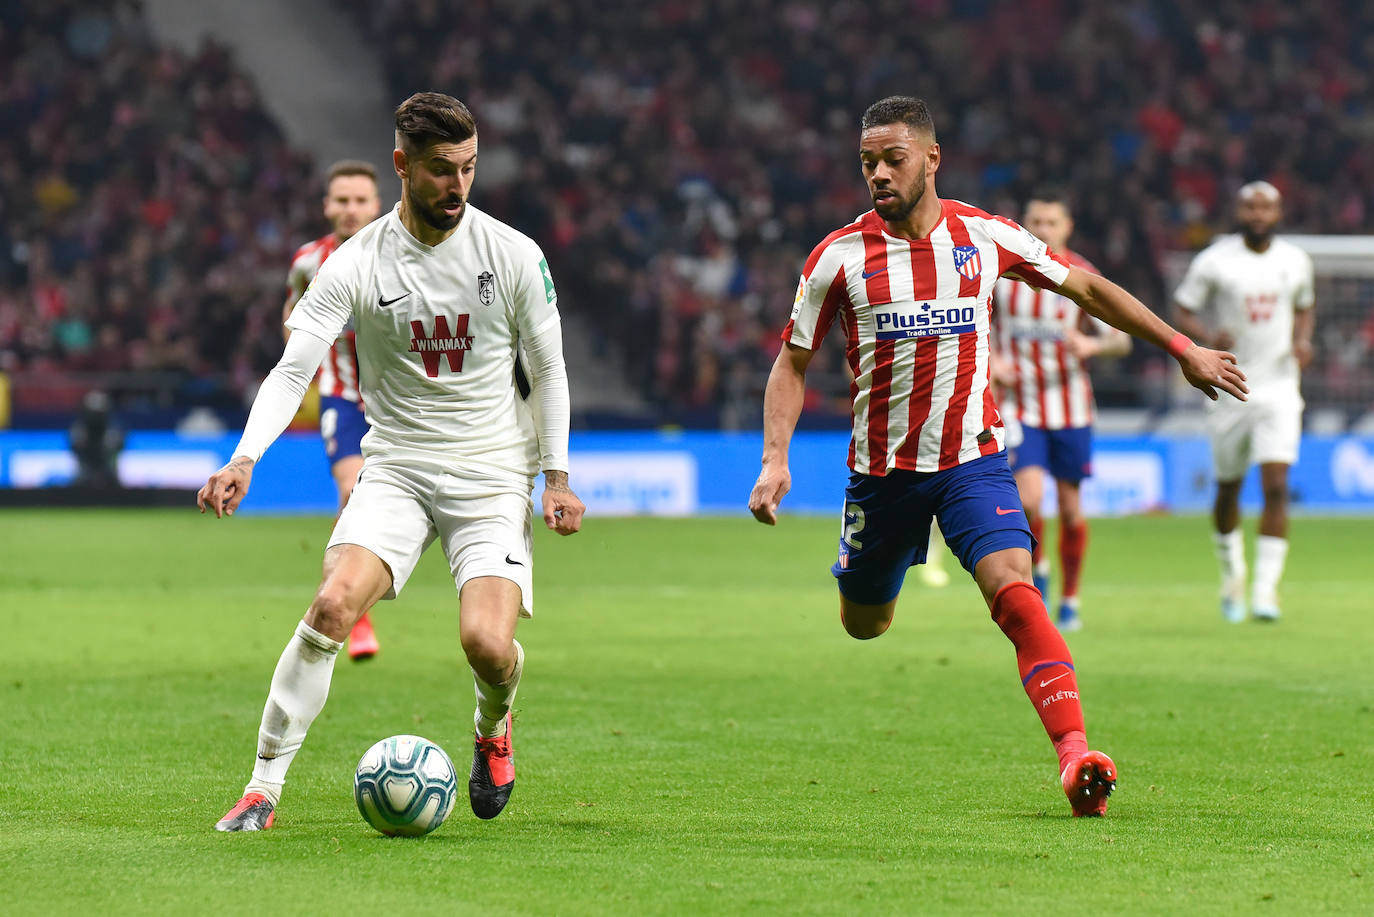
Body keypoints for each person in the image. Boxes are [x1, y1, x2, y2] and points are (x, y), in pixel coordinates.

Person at [748, 96, 1248, 817]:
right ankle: (874, 578)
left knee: (1014, 588)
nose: (879, 175)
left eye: (893, 159)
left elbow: (1088, 287)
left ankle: (1076, 755)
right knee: (866, 622)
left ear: (931, 159)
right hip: (882, 475)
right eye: (867, 164)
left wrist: (1182, 348)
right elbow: (791, 362)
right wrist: (775, 458)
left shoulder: (985, 237)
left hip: (972, 462)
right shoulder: (839, 258)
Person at [200, 91, 585, 831]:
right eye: (443, 170)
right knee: (330, 606)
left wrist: (556, 475)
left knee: (486, 643)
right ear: (403, 165)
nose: (458, 186)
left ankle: (492, 723)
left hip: (491, 471)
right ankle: (262, 787)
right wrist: (244, 458)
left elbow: (551, 367)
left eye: (469, 169)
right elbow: (293, 370)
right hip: (398, 466)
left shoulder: (511, 253)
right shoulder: (354, 261)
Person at [1173, 181, 1315, 623]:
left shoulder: (1295, 261)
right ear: (1239, 212)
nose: (1258, 215)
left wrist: (1303, 340)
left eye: (1266, 208)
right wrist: (1207, 338)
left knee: (1276, 485)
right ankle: (1232, 577)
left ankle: (1265, 592)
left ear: (1277, 213)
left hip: (1279, 386)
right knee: (1229, 488)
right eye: (1251, 208)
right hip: (1230, 384)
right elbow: (1183, 306)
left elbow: (1305, 305)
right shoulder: (1215, 261)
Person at [991, 191, 1131, 631]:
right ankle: (1040, 566)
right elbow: (975, 324)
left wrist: (1092, 343)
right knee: (1029, 500)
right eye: (1036, 220)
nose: (1043, 229)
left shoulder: (1083, 275)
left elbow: (1121, 338)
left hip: (1070, 408)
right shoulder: (1005, 273)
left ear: (1067, 227)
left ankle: (1071, 597)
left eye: (1051, 222)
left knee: (1071, 510)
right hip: (1020, 407)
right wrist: (993, 359)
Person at [282, 159, 384, 659]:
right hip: (343, 400)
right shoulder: (308, 262)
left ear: (378, 204)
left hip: (401, 408)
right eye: (341, 200)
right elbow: (291, 317)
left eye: (360, 200)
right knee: (352, 493)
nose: (350, 209)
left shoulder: (401, 254)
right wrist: (302, 364)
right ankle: (353, 618)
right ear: (327, 206)